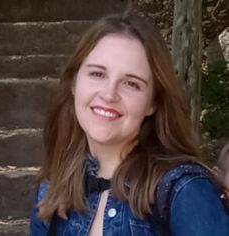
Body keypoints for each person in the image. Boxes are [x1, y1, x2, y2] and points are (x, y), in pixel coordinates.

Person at [30, 12, 229, 236]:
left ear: (152, 103)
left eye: (131, 84)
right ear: (74, 84)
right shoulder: (52, 187)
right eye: (97, 73)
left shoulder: (185, 192)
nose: (109, 94)